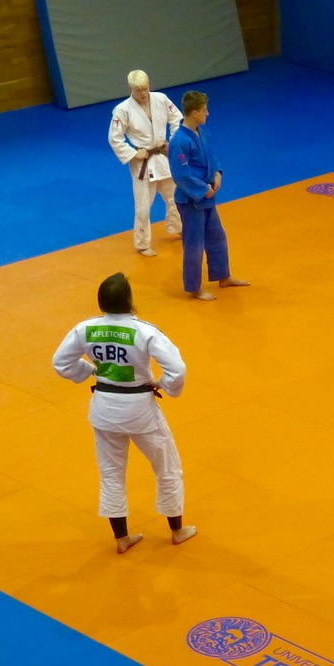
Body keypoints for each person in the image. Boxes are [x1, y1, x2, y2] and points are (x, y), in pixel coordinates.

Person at [53, 273, 196, 552]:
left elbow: (61, 363)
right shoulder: (144, 330)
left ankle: (122, 538)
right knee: (167, 468)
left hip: (104, 407)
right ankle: (177, 530)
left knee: (111, 474)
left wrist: (88, 371)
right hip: (139, 408)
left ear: (101, 301)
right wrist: (165, 385)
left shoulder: (85, 329)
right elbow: (177, 370)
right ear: (130, 301)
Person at [168, 91, 250, 301]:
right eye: (204, 110)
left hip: (207, 195)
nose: (208, 113)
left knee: (217, 237)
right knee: (194, 244)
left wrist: (217, 173)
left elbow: (211, 157)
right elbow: (181, 174)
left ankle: (223, 276)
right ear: (194, 113)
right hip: (190, 200)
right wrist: (204, 190)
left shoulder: (202, 132)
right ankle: (194, 288)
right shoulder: (179, 141)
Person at [109, 70, 184, 257]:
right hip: (142, 162)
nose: (143, 93)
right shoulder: (122, 110)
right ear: (130, 88)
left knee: (175, 195)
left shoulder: (161, 99)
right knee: (143, 206)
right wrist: (134, 153)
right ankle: (142, 243)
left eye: (145, 88)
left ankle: (178, 226)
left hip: (163, 156)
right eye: (138, 89)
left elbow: (177, 119)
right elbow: (114, 138)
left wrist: (173, 141)